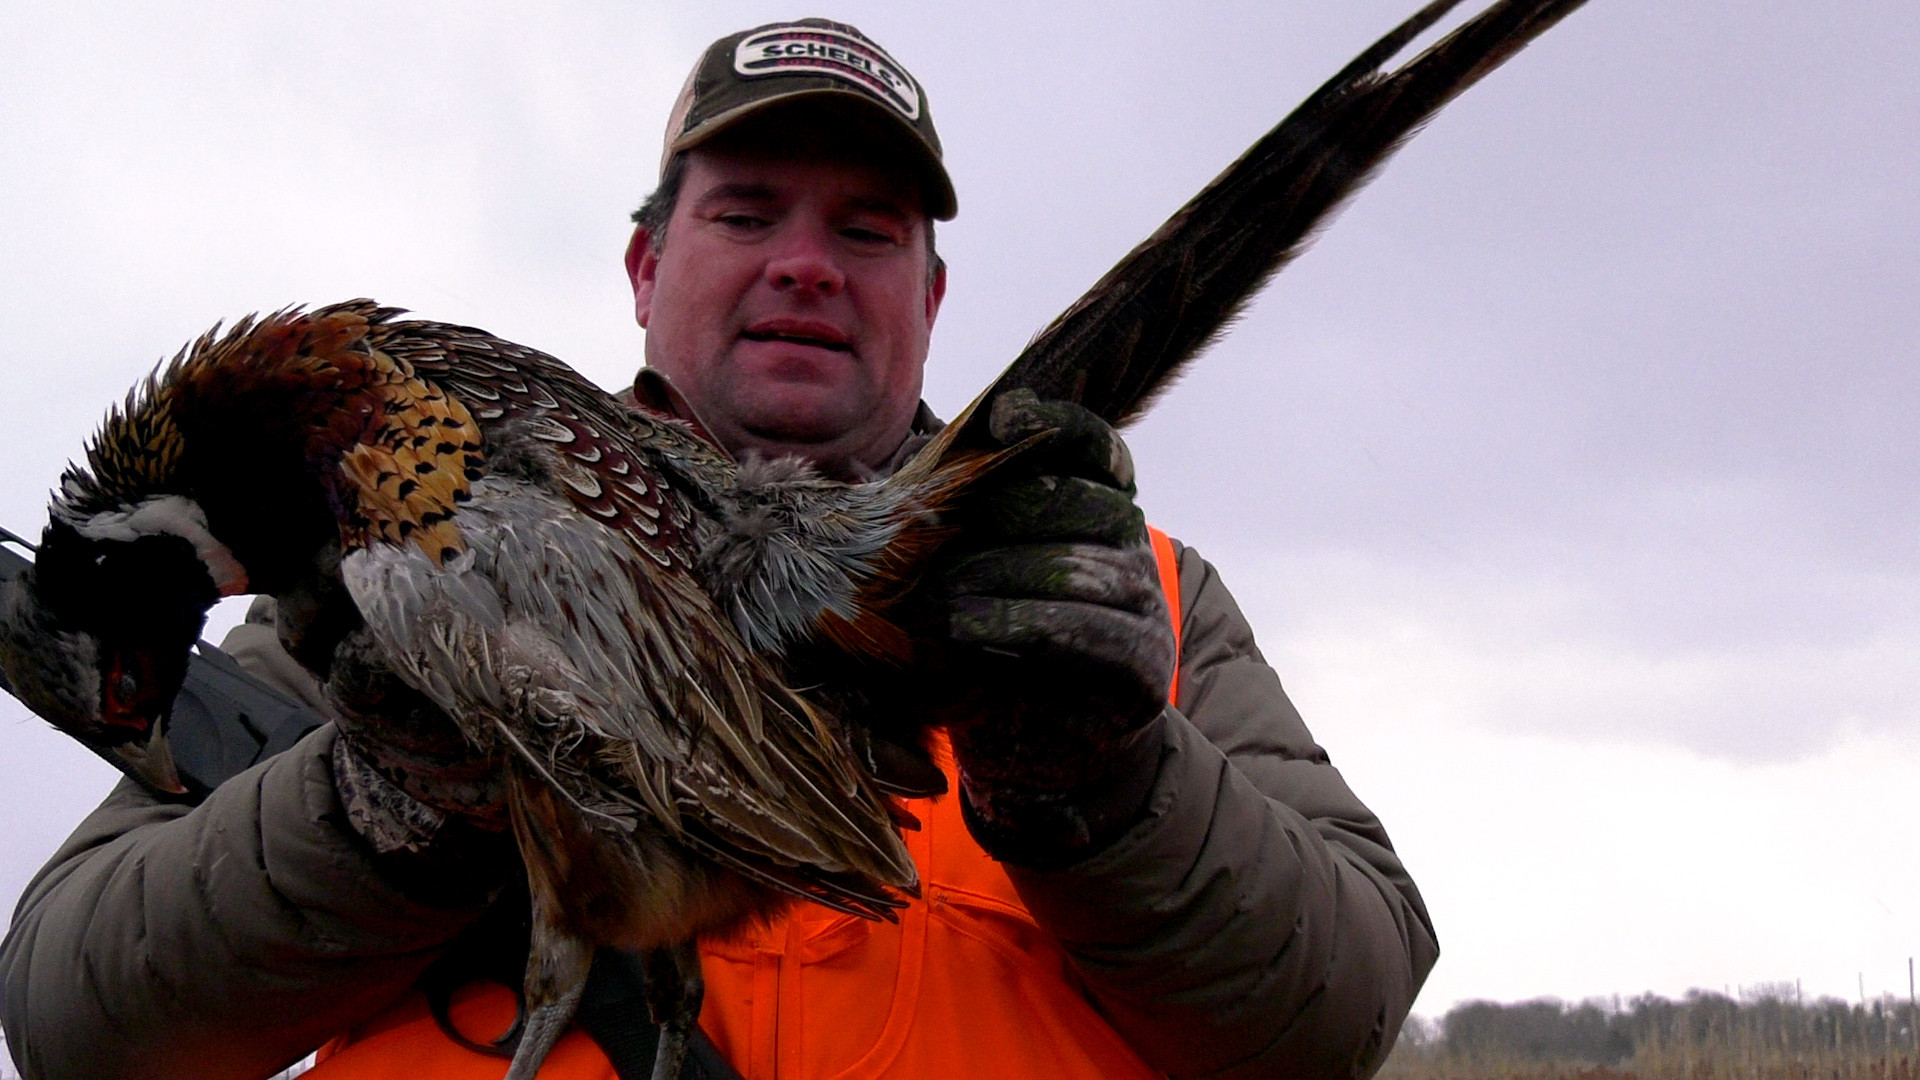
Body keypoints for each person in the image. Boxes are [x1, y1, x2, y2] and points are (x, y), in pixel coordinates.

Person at [0, 17, 1436, 1080]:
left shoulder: (1129, 599)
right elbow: (75, 1020)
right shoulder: (363, 582)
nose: (805, 263)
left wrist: (1109, 789)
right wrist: (383, 808)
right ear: (646, 269)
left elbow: (1342, 1010)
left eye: (866, 231)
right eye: (746, 214)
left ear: (931, 300)